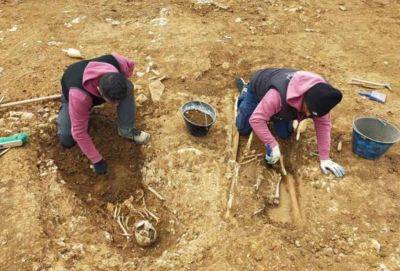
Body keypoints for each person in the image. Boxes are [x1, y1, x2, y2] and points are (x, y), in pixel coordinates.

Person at [235, 68, 345, 177]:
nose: (307, 115)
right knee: (243, 128)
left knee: (284, 134)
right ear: (305, 97)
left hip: (284, 105)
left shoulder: (323, 99)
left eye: (311, 114)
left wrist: (325, 158)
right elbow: (256, 120)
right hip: (258, 89)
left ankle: (271, 112)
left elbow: (323, 126)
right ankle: (245, 91)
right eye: (308, 110)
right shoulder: (277, 95)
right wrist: (272, 144)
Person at [57, 53, 150, 175]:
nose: (117, 105)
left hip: (98, 86)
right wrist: (97, 160)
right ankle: (70, 108)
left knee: (128, 87)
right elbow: (78, 133)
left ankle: (126, 130)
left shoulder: (116, 62)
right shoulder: (79, 97)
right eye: (113, 102)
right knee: (67, 139)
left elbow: (130, 65)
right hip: (75, 92)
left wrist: (124, 84)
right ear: (100, 91)